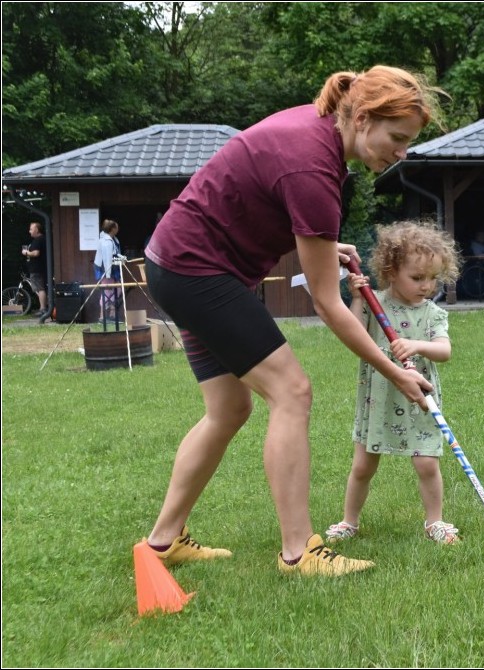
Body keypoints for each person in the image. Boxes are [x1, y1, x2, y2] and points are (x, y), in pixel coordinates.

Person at [142, 65, 444, 577]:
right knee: (292, 391)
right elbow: (327, 304)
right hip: (196, 270)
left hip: (178, 264)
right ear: (364, 118)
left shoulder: (318, 132)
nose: (401, 154)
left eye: (408, 143)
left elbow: (268, 208)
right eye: (397, 138)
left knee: (229, 408)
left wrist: (327, 246)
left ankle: (164, 541)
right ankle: (299, 551)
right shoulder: (313, 168)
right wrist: (394, 372)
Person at [326, 220, 462, 545]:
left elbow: (444, 351)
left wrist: (417, 345)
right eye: (417, 278)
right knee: (363, 466)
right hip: (379, 398)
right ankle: (349, 522)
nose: (426, 286)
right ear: (391, 271)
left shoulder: (431, 313)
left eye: (432, 278)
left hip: (418, 399)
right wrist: (357, 298)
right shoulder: (375, 304)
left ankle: (435, 522)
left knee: (427, 463)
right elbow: (354, 331)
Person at [94, 219, 123, 321]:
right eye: (116, 227)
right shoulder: (106, 241)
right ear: (112, 229)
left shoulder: (113, 239)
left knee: (117, 289)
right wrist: (108, 274)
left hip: (113, 269)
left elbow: (115, 253)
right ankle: (102, 316)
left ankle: (112, 314)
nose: (118, 229)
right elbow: (107, 259)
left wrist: (121, 258)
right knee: (107, 292)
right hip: (106, 269)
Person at [21, 221, 48, 316]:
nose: (29, 231)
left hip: (37, 269)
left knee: (40, 289)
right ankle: (45, 307)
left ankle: (43, 309)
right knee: (40, 288)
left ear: (36, 229)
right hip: (40, 268)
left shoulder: (38, 240)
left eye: (31, 229)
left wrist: (26, 252)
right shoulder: (43, 239)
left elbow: (36, 253)